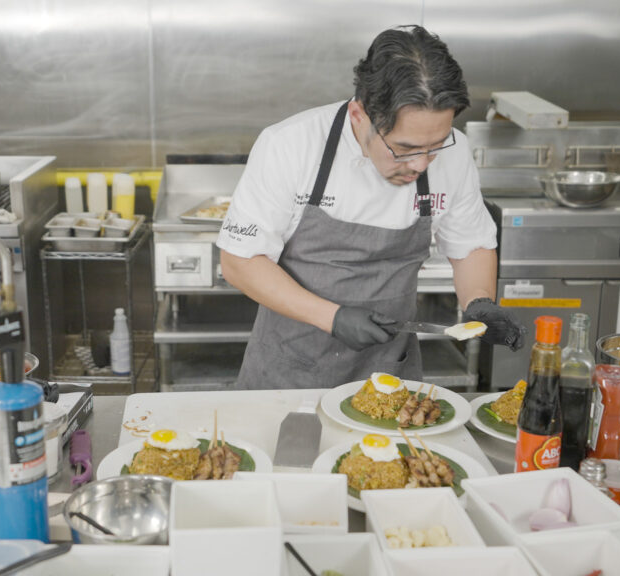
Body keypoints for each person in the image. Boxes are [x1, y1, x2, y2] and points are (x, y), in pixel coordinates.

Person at [218, 25, 524, 389]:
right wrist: (333, 317)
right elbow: (240, 261)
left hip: (390, 372)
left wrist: (478, 302)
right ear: (359, 115)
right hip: (291, 370)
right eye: (404, 148)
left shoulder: (454, 153)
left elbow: (470, 243)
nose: (422, 164)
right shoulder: (289, 145)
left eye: (436, 145)